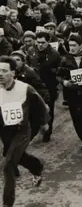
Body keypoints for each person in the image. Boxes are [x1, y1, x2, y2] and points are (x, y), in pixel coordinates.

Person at [0, 56, 49, 207]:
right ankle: (36, 167)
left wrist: (44, 123)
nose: (0, 74)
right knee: (17, 156)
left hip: (22, 131)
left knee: (8, 166)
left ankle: (7, 203)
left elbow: (41, 105)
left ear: (13, 73)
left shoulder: (24, 88)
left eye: (4, 71)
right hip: (5, 132)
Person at [27, 31, 61, 142]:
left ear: (48, 42)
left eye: (43, 42)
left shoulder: (54, 54)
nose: (40, 45)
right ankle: (36, 129)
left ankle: (48, 132)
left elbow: (59, 71)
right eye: (38, 42)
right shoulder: (31, 51)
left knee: (48, 110)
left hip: (48, 87)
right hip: (34, 86)